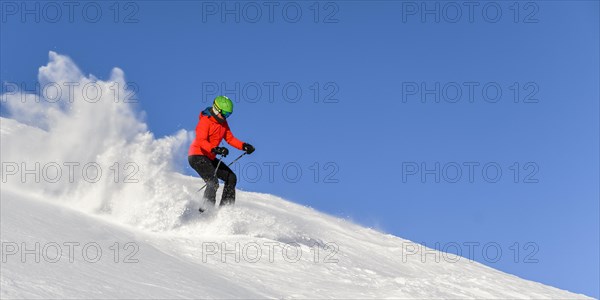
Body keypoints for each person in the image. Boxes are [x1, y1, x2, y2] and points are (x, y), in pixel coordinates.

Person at [188, 96, 255, 212]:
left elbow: (230, 139)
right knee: (213, 182)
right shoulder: (205, 121)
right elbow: (201, 141)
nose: (225, 117)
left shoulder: (223, 123)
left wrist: (244, 146)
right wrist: (215, 149)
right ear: (216, 109)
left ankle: (225, 211)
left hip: (210, 157)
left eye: (228, 115)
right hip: (197, 156)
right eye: (224, 114)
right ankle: (205, 212)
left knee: (231, 177)